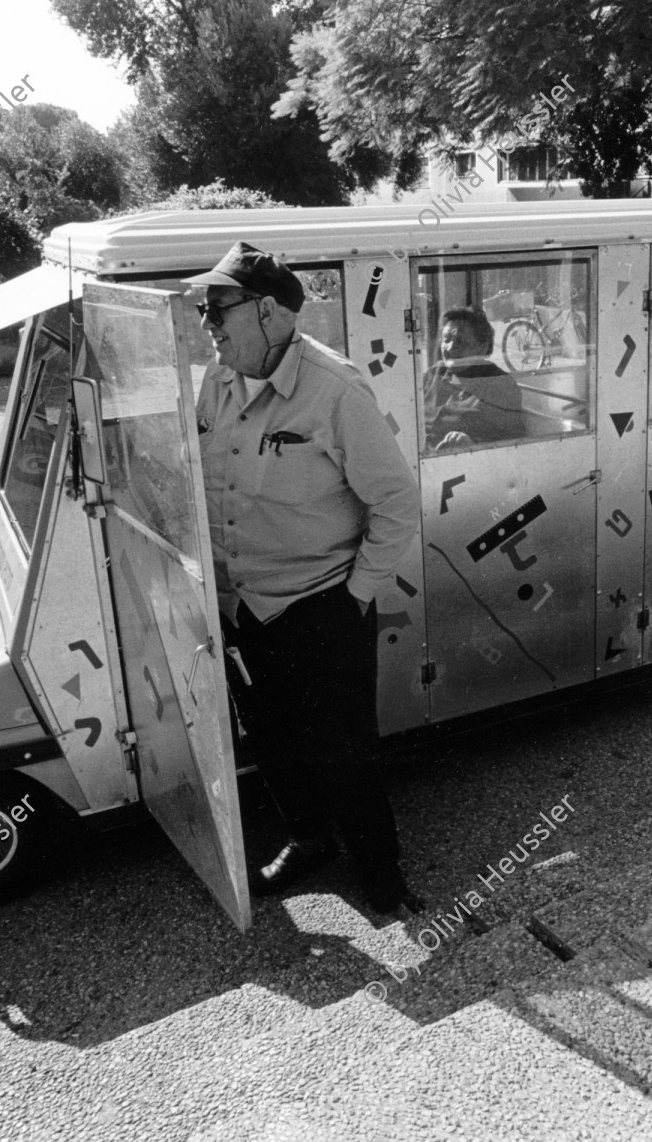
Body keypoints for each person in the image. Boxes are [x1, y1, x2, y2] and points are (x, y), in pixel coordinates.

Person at [188, 241, 424, 914]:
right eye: (204, 308)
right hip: (244, 607)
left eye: (217, 307)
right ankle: (309, 839)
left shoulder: (335, 389)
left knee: (344, 748)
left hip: (321, 606)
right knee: (271, 736)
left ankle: (381, 873)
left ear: (268, 313)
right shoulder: (218, 379)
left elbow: (396, 504)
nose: (207, 322)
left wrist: (352, 599)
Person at [423, 306, 528, 449]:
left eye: (461, 342)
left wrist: (472, 444)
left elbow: (513, 442)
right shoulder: (436, 372)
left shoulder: (501, 385)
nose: (450, 347)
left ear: (482, 346)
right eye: (446, 339)